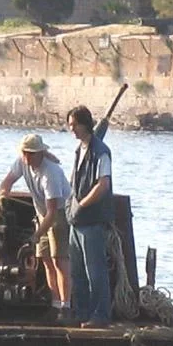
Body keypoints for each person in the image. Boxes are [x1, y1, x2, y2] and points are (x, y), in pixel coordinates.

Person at [0, 133, 72, 311]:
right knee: (45, 260)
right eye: (25, 153)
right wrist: (2, 196)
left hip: (60, 214)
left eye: (31, 153)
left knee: (59, 260)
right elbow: (6, 182)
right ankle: (55, 304)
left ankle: (66, 305)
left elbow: (53, 211)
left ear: (40, 153)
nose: (27, 157)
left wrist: (36, 235)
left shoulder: (50, 173)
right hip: (42, 214)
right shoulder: (22, 162)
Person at [65, 105, 114, 327]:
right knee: (77, 271)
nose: (71, 129)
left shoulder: (100, 152)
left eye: (74, 125)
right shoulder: (80, 150)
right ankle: (82, 312)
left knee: (96, 271)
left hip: (92, 220)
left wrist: (82, 205)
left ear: (85, 124)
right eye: (70, 125)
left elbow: (103, 185)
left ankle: (100, 315)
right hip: (76, 221)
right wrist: (71, 207)